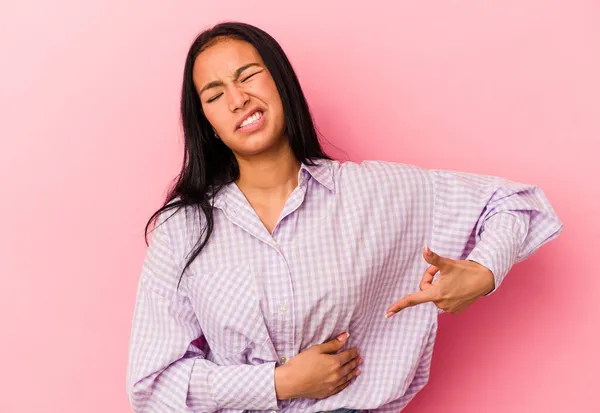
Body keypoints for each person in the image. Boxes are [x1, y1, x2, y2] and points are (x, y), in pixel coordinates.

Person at [125, 21, 563, 413]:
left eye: (249, 76)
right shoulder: (182, 230)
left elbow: (515, 203)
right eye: (215, 94)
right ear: (207, 123)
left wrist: (483, 273)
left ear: (282, 82)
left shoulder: (372, 193)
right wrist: (276, 383)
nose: (238, 100)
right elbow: (152, 387)